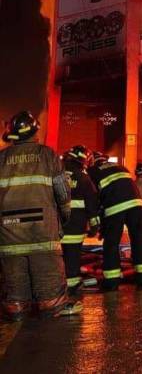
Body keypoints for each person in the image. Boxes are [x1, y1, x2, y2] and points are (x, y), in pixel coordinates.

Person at [0, 111, 82, 319]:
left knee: (13, 267)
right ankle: (52, 303)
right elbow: (62, 191)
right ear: (35, 131)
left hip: (8, 227)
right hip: (42, 225)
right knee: (46, 264)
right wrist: (63, 216)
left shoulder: (1, 158)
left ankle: (16, 306)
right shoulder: (47, 155)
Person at [88, 152, 142, 291]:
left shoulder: (92, 171)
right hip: (137, 206)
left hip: (115, 208)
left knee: (111, 243)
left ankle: (112, 281)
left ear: (92, 161)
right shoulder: (121, 167)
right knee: (139, 241)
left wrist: (99, 224)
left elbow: (94, 199)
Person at [61, 145, 100, 295]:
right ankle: (72, 287)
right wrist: (95, 226)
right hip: (75, 226)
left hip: (56, 227)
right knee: (73, 256)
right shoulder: (83, 178)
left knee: (58, 257)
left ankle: (57, 284)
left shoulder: (55, 174)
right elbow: (92, 203)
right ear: (83, 160)